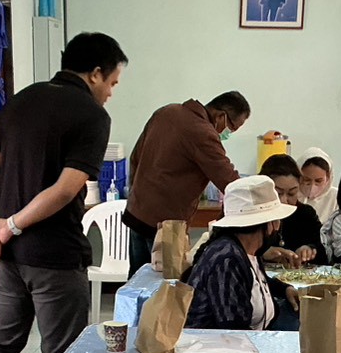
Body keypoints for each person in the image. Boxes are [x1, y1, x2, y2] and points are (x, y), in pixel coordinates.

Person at [0, 32, 126, 353]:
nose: (110, 92)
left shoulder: (21, 100)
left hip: (8, 257)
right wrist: (10, 226)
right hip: (54, 255)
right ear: (95, 74)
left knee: (0, 342)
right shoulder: (92, 115)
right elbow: (66, 188)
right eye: (112, 82)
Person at [124, 91, 249, 273]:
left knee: (137, 280)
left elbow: (135, 157)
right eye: (232, 128)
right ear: (221, 117)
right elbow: (229, 181)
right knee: (165, 284)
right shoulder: (202, 132)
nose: (228, 134)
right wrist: (256, 200)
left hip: (136, 213)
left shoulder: (166, 112)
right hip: (165, 226)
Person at [184, 175, 299, 331]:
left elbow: (258, 282)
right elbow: (234, 329)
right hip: (218, 344)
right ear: (270, 224)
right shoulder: (227, 260)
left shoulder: (247, 250)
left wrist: (285, 289)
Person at [259, 153, 325, 266]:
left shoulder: (305, 214)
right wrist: (262, 254)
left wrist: (309, 249)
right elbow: (236, 250)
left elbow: (322, 249)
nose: (284, 200)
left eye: (292, 193)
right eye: (278, 193)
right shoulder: (253, 216)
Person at [298, 146, 339, 224]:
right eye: (307, 180)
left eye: (318, 181)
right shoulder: (292, 194)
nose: (312, 186)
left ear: (328, 178)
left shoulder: (336, 198)